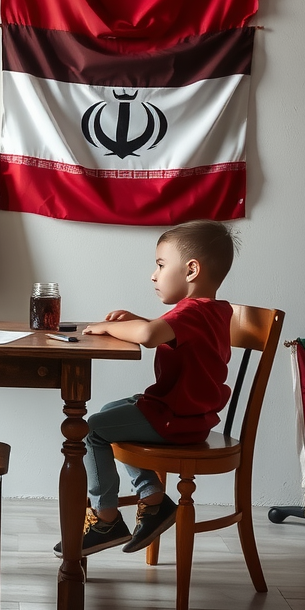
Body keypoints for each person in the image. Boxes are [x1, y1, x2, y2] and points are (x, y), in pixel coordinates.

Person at [56, 219, 237, 558]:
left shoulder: (194, 312)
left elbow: (150, 336)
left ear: (192, 269)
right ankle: (153, 497)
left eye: (160, 265)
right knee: (110, 412)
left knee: (89, 428)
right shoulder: (212, 310)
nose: (153, 275)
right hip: (188, 414)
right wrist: (136, 320)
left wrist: (108, 327)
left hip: (177, 419)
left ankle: (106, 518)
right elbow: (161, 332)